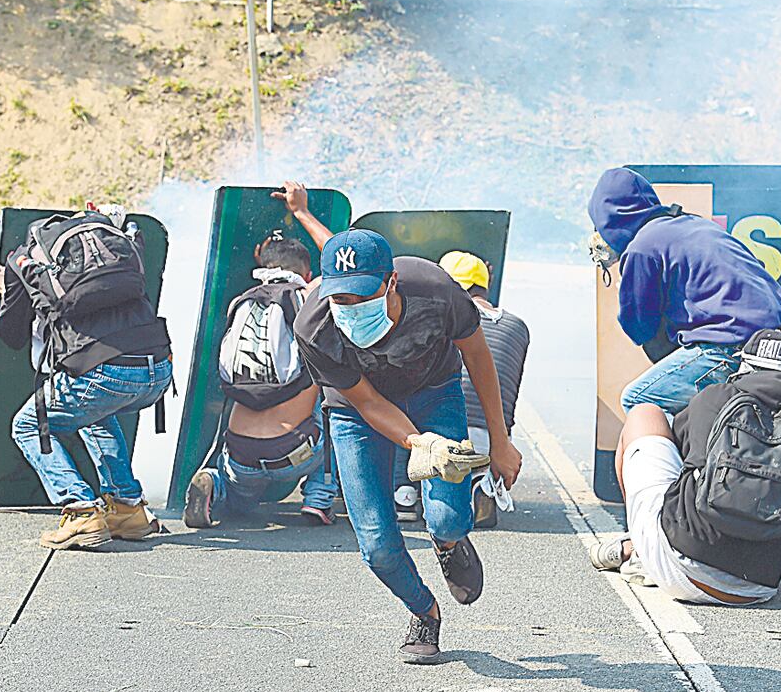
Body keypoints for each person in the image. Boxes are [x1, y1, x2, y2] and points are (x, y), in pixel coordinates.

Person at [293, 229, 522, 663]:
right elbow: (366, 402)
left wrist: (500, 442)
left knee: (448, 519)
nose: (351, 308)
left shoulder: (434, 289)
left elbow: (477, 355)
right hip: (355, 412)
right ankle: (423, 611)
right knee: (377, 544)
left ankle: (449, 544)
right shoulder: (314, 326)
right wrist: (417, 442)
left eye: (363, 296)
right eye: (341, 299)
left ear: (391, 282)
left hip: (434, 393)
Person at [591, 329, 781, 605]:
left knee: (644, 414)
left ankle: (639, 551)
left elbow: (679, 458)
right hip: (757, 586)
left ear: (746, 364)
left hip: (680, 568)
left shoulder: (714, 397)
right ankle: (640, 548)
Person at [0, 205, 173, 550]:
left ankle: (80, 509)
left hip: (104, 374)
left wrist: (8, 288)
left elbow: (12, 335)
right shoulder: (117, 248)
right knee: (95, 415)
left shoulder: (27, 260)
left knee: (28, 425)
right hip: (158, 370)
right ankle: (128, 509)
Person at [183, 182, 339, 527]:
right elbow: (340, 260)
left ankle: (217, 487)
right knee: (338, 405)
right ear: (307, 274)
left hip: (241, 454)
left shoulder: (241, 303)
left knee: (240, 502)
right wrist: (301, 211)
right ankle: (318, 499)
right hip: (295, 452)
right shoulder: (308, 297)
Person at [588, 167, 781, 416]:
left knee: (638, 400)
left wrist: (625, 289)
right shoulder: (696, 224)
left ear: (609, 220)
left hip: (731, 346)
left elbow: (639, 328)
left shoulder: (641, 248)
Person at [439, 250, 529, 528]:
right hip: (496, 438)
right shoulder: (517, 326)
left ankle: (404, 493)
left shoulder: (444, 318)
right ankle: (484, 481)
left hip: (448, 431)